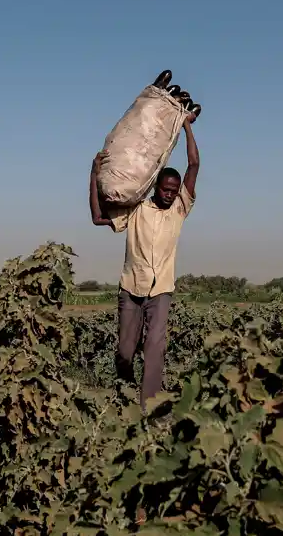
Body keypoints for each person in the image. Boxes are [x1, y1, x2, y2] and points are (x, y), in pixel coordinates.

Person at [89, 112, 200, 410]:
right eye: (165, 189)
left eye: (174, 191)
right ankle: (124, 395)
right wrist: (93, 174)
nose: (169, 194)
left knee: (154, 349)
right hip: (131, 288)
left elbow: (194, 164)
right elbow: (98, 217)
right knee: (125, 351)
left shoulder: (179, 209)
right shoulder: (137, 209)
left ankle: (149, 405)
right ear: (155, 187)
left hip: (161, 289)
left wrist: (185, 124)